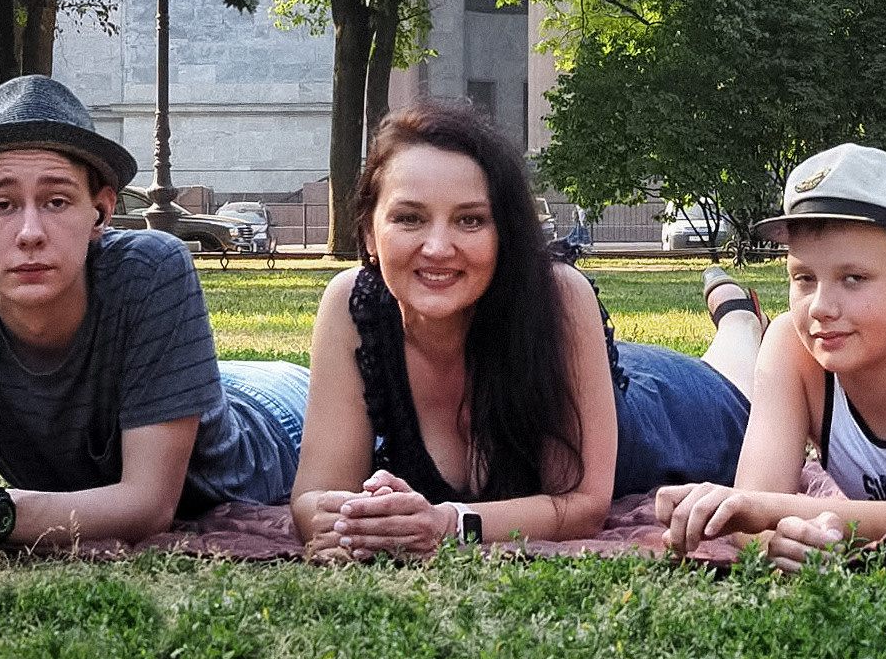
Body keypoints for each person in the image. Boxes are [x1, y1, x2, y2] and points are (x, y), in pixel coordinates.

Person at [0, 76, 310, 574]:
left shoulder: (153, 266)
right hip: (191, 388)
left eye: (56, 201)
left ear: (101, 212)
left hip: (279, 416)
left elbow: (150, 506)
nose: (30, 233)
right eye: (2, 204)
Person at [292, 101, 762, 558]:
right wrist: (349, 522)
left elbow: (582, 507)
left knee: (738, 378)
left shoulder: (560, 295)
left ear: (505, 234)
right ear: (370, 234)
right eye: (409, 218)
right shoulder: (353, 306)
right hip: (595, 371)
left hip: (669, 409)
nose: (437, 247)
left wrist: (448, 525)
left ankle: (739, 317)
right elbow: (313, 498)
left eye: (470, 220)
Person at [659, 144, 886, 569]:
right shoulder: (792, 345)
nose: (820, 306)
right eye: (803, 278)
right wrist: (781, 541)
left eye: (853, 278)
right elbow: (756, 504)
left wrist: (765, 512)